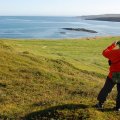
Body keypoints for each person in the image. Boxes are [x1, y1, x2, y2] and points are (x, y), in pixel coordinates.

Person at [95, 41, 120, 111]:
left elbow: (104, 52)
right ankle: (118, 108)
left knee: (106, 89)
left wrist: (112, 45)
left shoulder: (116, 52)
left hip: (114, 74)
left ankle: (100, 104)